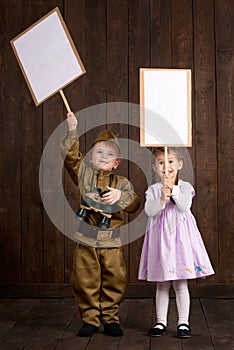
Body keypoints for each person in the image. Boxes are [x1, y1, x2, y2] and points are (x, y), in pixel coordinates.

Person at [61, 112, 141, 337]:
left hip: (111, 240)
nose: (104, 156)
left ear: (117, 163)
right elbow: (70, 157)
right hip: (86, 239)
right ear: (90, 158)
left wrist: (120, 197)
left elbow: (135, 204)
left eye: (110, 154)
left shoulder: (122, 183)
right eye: (99, 152)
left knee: (115, 277)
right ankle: (90, 319)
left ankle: (110, 317)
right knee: (84, 276)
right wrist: (72, 129)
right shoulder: (83, 174)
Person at [138, 147, 214, 338]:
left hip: (180, 241)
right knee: (162, 284)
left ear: (179, 164)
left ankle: (183, 323)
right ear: (155, 167)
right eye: (161, 162)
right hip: (161, 241)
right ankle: (160, 322)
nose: (166, 166)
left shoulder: (186, 187)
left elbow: (183, 206)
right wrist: (162, 197)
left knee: (181, 283)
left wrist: (174, 191)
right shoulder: (154, 190)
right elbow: (150, 211)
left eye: (171, 161)